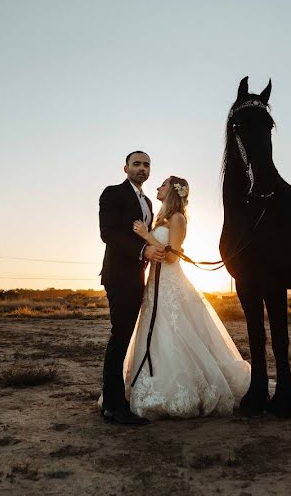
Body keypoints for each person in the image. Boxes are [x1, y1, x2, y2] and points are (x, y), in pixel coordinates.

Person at [120, 176, 252, 419]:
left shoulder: (178, 218)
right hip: (155, 284)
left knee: (175, 331)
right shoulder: (161, 218)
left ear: (172, 191)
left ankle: (187, 387)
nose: (158, 188)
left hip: (171, 283)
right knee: (156, 332)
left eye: (163, 185)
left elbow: (172, 257)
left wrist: (146, 236)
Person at [98, 151, 164, 425]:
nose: (142, 168)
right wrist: (142, 251)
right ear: (125, 168)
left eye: (146, 164)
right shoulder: (113, 193)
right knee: (120, 336)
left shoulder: (147, 201)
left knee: (126, 338)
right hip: (119, 276)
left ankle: (117, 400)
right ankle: (113, 406)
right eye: (136, 164)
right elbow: (108, 233)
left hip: (138, 278)